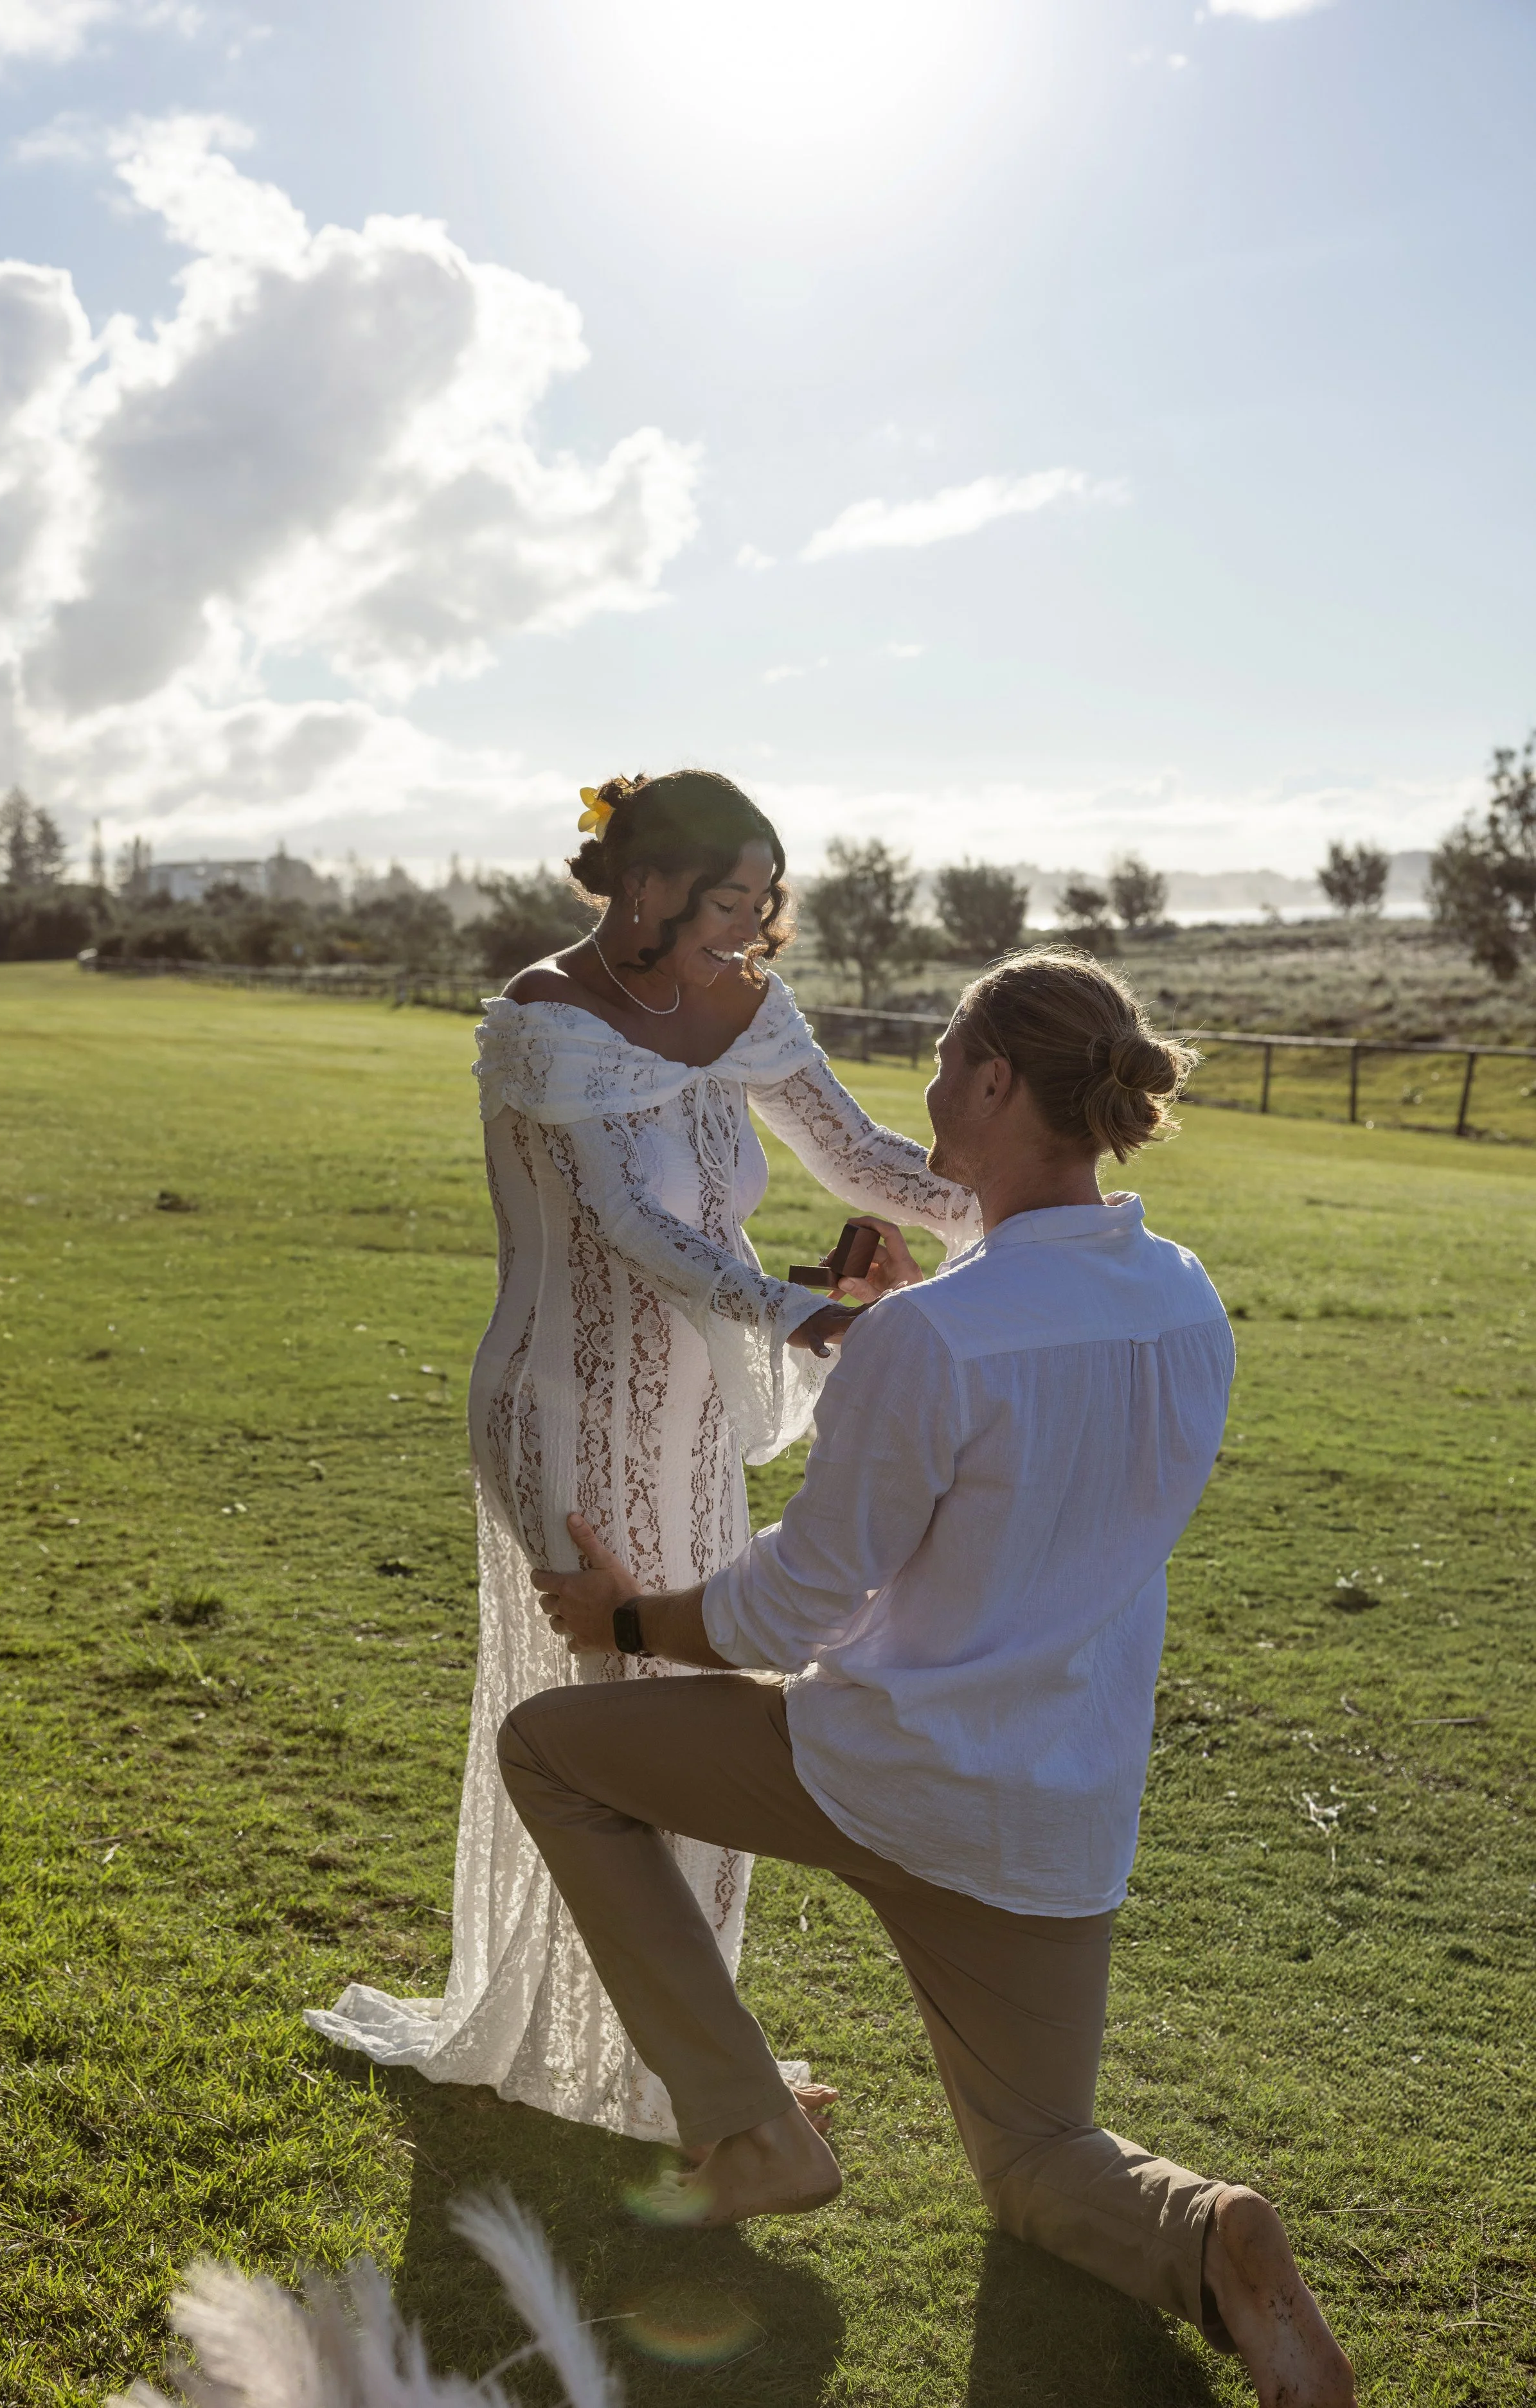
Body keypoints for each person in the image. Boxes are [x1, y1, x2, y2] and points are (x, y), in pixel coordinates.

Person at [509, 950, 1356, 2408]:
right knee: (1036, 2162)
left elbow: (792, 1606)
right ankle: (1205, 2231)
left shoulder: (937, 1334)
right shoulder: (1182, 1298)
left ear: (993, 1082)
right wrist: (902, 1334)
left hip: (878, 1770)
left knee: (551, 1751)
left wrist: (626, 1615)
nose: (930, 1083)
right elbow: (1024, 1472)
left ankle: (751, 2129)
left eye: (947, 1059)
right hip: (1055, 1816)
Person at [307, 770, 981, 2141]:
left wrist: (1017, 1218)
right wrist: (808, 1316)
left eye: (764, 899)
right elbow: (632, 1225)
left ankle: (685, 2057)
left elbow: (857, 1154)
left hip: (694, 1417)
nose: (750, 926)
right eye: (728, 898)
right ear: (645, 885)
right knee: (631, 1718)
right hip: (563, 1405)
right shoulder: (546, 1017)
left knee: (709, 1699)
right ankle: (668, 2076)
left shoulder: (744, 1004)